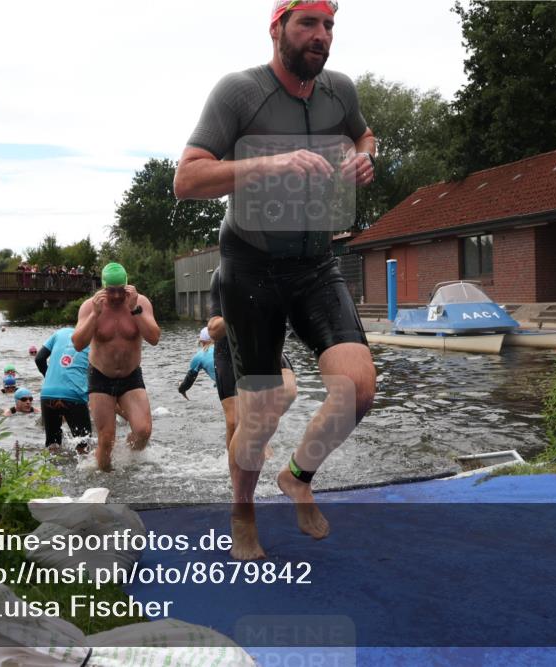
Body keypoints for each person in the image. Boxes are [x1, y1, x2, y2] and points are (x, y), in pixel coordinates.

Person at [174, 0, 377, 560]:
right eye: (308, 23)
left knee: (358, 386)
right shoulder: (239, 92)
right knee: (258, 414)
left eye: (329, 25)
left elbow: (366, 136)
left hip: (315, 263)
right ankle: (243, 511)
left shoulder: (341, 90)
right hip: (251, 267)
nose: (321, 35)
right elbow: (186, 179)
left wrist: (364, 157)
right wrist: (268, 163)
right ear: (277, 28)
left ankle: (298, 477)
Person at [72, 262, 161, 472]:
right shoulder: (89, 306)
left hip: (131, 376)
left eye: (121, 290)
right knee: (106, 438)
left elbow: (154, 338)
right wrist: (95, 314)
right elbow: (78, 343)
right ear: (103, 288)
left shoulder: (141, 303)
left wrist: (134, 310)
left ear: (127, 286)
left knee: (143, 431)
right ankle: (106, 479)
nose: (117, 296)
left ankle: (127, 459)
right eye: (112, 291)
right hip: (101, 376)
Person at [206, 266, 296, 459]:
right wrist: (238, 312)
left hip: (266, 347)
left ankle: (256, 438)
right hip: (230, 351)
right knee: (234, 420)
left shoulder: (272, 270)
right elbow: (213, 330)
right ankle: (234, 468)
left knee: (288, 391)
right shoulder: (223, 275)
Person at [36, 327, 92, 453]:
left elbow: (39, 358)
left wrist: (48, 377)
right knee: (84, 443)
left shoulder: (60, 333)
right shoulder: (95, 339)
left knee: (52, 444)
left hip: (48, 393)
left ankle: (51, 471)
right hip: (74, 394)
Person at [178, 327, 217, 398]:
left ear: (202, 342)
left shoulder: (199, 356)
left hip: (224, 384)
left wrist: (181, 389)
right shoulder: (225, 347)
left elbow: (189, 379)